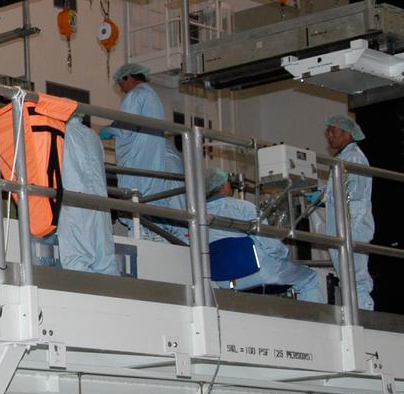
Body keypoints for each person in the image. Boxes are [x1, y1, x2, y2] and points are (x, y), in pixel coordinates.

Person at [204, 169, 324, 302]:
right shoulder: (244, 207)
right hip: (258, 272)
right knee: (309, 278)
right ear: (225, 185)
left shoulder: (199, 215)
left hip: (225, 281)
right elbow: (272, 246)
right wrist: (284, 255)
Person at [100, 63, 187, 238]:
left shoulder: (135, 96)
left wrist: (110, 130)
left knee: (138, 208)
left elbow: (126, 126)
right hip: (151, 166)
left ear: (129, 77)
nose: (121, 88)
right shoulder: (152, 96)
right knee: (151, 213)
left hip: (138, 163)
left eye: (121, 83)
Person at [313, 114, 375, 310]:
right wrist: (321, 195)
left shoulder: (354, 158)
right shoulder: (343, 158)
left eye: (333, 131)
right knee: (347, 276)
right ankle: (354, 313)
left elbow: (352, 193)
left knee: (356, 276)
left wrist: (327, 195)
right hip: (342, 228)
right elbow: (340, 191)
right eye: (328, 132)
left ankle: (364, 314)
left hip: (352, 227)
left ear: (347, 134)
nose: (329, 136)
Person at [58, 117, 118, 274]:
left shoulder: (62, 132)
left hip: (75, 200)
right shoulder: (93, 135)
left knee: (78, 258)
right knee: (105, 260)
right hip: (100, 201)